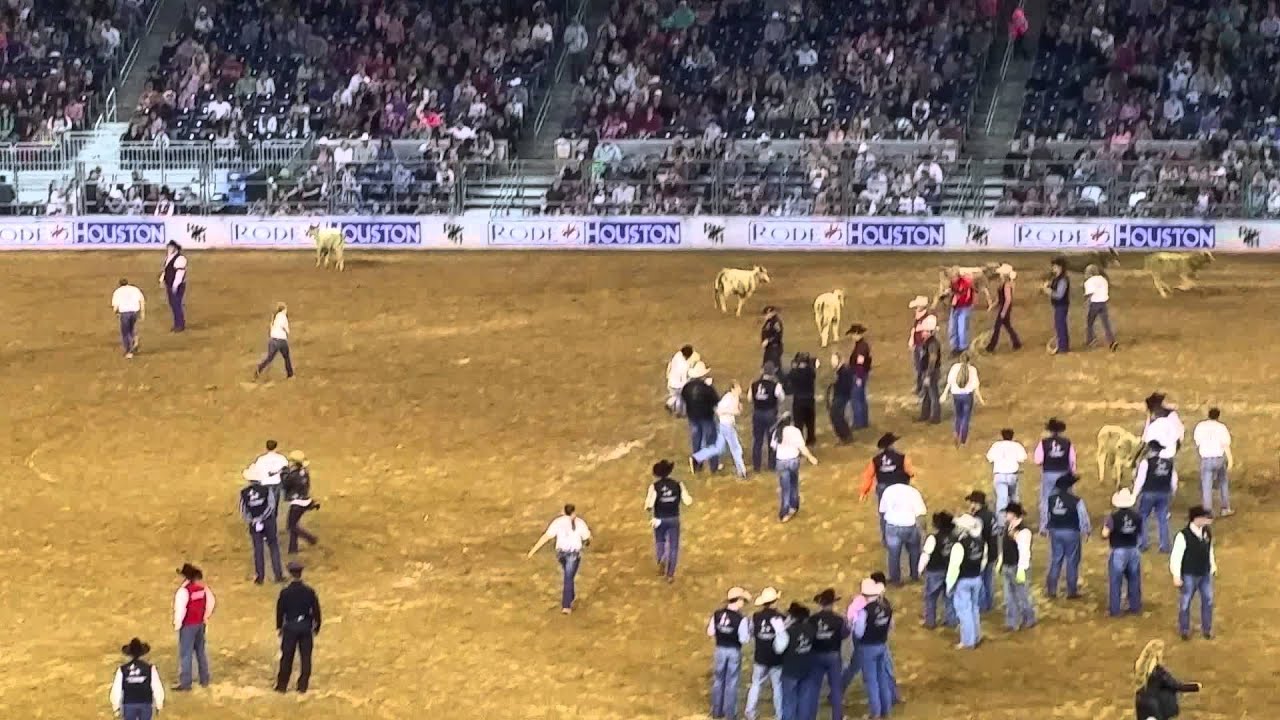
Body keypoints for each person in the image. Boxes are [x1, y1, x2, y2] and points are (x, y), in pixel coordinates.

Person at [526, 504, 592, 614]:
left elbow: (546, 537)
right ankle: (566, 605)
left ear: (563, 511)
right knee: (568, 578)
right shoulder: (580, 522)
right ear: (573, 512)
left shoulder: (557, 522)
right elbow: (587, 538)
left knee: (568, 577)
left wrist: (533, 551)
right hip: (573, 555)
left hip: (561, 554)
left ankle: (570, 596)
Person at [859, 433, 917, 545]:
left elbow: (868, 476)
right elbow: (910, 472)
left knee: (885, 513)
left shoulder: (876, 460)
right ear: (892, 444)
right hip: (900, 487)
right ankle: (903, 535)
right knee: (902, 510)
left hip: (884, 488)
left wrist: (864, 492)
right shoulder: (902, 457)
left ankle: (886, 539)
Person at [275, 560, 322, 693]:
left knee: (287, 657)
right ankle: (302, 686)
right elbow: (316, 610)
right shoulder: (309, 591)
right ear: (301, 574)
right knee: (306, 657)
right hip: (306, 627)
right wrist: (317, 626)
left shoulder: (285, 592)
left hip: (290, 627)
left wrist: (279, 627)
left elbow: (280, 611)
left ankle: (282, 685)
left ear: (290, 574)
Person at [851, 579, 895, 718]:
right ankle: (886, 710)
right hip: (881, 645)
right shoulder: (887, 607)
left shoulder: (864, 611)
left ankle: (875, 713)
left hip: (868, 647)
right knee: (882, 677)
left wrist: (853, 624)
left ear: (864, 595)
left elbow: (859, 632)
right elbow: (891, 626)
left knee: (871, 681)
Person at [1171, 506, 1216, 640]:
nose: (1207, 520)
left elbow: (1210, 550)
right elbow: (1176, 556)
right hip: (1189, 574)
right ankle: (1184, 630)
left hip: (1204, 572)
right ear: (1196, 519)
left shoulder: (1206, 532)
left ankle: (1207, 629)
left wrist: (1212, 566)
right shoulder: (1182, 536)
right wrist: (1176, 575)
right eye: (1205, 517)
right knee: (1185, 602)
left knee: (1208, 600)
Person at [708, 587, 753, 720]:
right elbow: (744, 639)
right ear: (738, 600)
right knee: (732, 682)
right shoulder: (741, 619)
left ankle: (717, 711)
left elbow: (710, 632)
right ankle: (730, 714)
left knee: (718, 680)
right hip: (733, 651)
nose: (743, 603)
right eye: (743, 600)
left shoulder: (717, 614)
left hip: (720, 649)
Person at [1044, 473, 1091, 599]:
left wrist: (1046, 528)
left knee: (1056, 559)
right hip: (1071, 532)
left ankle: (1052, 589)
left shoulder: (1051, 499)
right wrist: (1086, 531)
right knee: (1072, 561)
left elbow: (1047, 515)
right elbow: (1083, 518)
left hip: (1056, 531)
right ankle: (1071, 591)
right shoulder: (1076, 501)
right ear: (1070, 487)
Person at [745, 587, 789, 720]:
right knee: (777, 687)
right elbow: (785, 637)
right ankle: (779, 715)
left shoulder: (756, 616)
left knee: (756, 684)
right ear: (775, 601)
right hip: (776, 659)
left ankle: (750, 713)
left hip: (760, 657)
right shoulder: (782, 618)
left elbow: (751, 633)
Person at [646, 460, 692, 582]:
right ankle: (670, 574)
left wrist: (649, 508)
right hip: (674, 518)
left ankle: (661, 558)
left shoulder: (654, 487)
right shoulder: (678, 484)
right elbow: (688, 501)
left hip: (659, 519)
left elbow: (649, 505)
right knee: (673, 547)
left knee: (660, 541)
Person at [946, 514, 987, 649]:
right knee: (974, 609)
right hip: (976, 579)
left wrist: (949, 585)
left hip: (963, 581)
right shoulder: (982, 542)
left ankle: (968, 641)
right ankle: (976, 636)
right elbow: (983, 562)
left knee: (964, 611)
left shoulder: (959, 545)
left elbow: (954, 568)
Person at [172, 563, 215, 690]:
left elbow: (180, 609)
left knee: (186, 653)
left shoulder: (183, 591)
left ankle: (186, 683)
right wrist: (205, 617)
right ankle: (204, 679)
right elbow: (211, 603)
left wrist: (178, 624)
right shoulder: (202, 589)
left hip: (188, 625)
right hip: (200, 624)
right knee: (200, 651)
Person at [1134, 639, 1202, 720]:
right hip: (1154, 707)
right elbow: (1176, 685)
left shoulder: (1140, 667)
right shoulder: (1159, 672)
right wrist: (1195, 687)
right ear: (1157, 654)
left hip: (1140, 704)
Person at [692, 380, 747, 477]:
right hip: (727, 426)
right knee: (736, 448)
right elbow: (718, 410)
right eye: (738, 388)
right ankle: (742, 472)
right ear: (732, 388)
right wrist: (733, 411)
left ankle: (697, 458)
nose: (740, 389)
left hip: (725, 425)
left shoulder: (734, 397)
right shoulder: (728, 398)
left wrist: (737, 410)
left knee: (718, 448)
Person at [239, 467, 284, 584]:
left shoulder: (244, 493)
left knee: (258, 550)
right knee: (273, 547)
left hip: (254, 523)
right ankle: (278, 575)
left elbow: (243, 510)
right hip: (268, 521)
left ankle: (260, 577)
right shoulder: (266, 490)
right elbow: (271, 506)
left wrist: (253, 520)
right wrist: (262, 518)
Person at [808, 588, 848, 720]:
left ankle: (811, 716)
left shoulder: (812, 620)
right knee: (836, 689)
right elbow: (844, 634)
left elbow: (808, 637)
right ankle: (837, 717)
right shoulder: (839, 620)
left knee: (814, 689)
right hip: (833, 655)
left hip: (816, 655)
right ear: (833, 603)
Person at [1102, 488, 1143, 616]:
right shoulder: (1137, 516)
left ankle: (1115, 609)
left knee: (1115, 581)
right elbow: (1141, 534)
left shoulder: (1112, 517)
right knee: (1134, 579)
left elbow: (1105, 534)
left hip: (1118, 551)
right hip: (1133, 550)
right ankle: (1135, 606)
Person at [773, 413, 818, 522]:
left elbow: (774, 447)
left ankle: (784, 513)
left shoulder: (777, 431)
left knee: (785, 488)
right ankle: (794, 506)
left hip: (781, 461)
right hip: (793, 461)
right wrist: (811, 457)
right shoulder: (795, 431)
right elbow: (802, 447)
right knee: (793, 484)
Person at [998, 503, 1037, 631]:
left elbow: (1024, 551)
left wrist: (1021, 569)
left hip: (1018, 567)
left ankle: (1029, 619)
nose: (1005, 515)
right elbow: (1005, 547)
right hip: (1008, 566)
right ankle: (1012, 622)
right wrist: (1001, 562)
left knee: (1023, 595)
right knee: (1009, 597)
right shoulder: (1008, 526)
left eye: (1007, 513)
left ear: (1013, 515)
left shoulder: (1024, 531)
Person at [880, 479, 926, 585]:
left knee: (893, 554)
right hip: (910, 526)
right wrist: (924, 530)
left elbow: (882, 511)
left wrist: (883, 530)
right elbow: (921, 513)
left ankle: (895, 579)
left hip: (892, 526)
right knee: (914, 551)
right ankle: (915, 574)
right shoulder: (913, 492)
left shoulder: (888, 490)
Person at [1134, 441, 1178, 553]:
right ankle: (1165, 545)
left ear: (1149, 451)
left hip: (1149, 492)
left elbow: (1140, 480)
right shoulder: (1169, 463)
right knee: (1163, 518)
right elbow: (1174, 480)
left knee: (1142, 517)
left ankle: (1143, 544)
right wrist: (1172, 491)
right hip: (1164, 493)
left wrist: (1134, 495)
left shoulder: (1146, 463)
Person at [918, 512, 958, 629]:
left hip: (935, 571)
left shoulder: (933, 538)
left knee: (930, 597)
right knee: (949, 597)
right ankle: (951, 620)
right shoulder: (955, 538)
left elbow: (926, 555)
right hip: (950, 571)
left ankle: (930, 621)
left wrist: (920, 569)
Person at [110, 638, 165, 720]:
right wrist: (159, 704)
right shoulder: (150, 668)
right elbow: (157, 687)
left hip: (129, 704)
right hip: (145, 703)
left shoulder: (122, 669)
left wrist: (116, 707)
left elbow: (116, 689)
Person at [1192, 408, 1234, 517]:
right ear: (1218, 416)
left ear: (1208, 415)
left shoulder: (1200, 426)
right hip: (1219, 458)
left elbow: (1197, 443)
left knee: (1206, 485)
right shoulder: (1221, 427)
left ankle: (1207, 512)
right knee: (1223, 482)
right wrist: (1230, 459)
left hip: (1206, 459)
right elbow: (1225, 445)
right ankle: (1225, 508)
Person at [1035, 418, 1075, 527]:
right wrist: (1072, 473)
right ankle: (1067, 521)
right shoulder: (1067, 443)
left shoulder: (1043, 443)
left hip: (1049, 473)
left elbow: (1038, 460)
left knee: (1046, 499)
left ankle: (1045, 525)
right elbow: (1072, 461)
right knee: (1067, 497)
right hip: (1064, 472)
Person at [683, 362, 722, 474]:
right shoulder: (707, 388)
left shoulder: (687, 387)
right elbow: (716, 401)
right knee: (711, 442)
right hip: (706, 417)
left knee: (696, 440)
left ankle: (697, 464)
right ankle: (713, 466)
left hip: (692, 417)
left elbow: (684, 399)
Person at [780, 602, 817, 720]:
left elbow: (778, 648)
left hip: (790, 670)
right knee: (804, 701)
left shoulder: (788, 631)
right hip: (806, 669)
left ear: (793, 617)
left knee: (788, 702)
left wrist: (782, 629)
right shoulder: (812, 629)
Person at [965, 491, 1000, 613]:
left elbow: (976, 536)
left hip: (983, 554)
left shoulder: (978, 518)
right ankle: (989, 603)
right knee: (988, 579)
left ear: (976, 503)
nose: (969, 505)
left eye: (971, 502)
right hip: (993, 550)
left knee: (980, 580)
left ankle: (982, 605)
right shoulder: (991, 514)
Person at [985, 429, 1027, 528]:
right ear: (1012, 436)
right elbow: (1022, 458)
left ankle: (1001, 524)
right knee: (1014, 499)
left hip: (999, 475)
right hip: (1012, 475)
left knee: (1002, 500)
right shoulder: (1016, 445)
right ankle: (1015, 522)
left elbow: (989, 458)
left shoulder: (996, 445)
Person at [940, 353, 984, 446]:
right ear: (969, 361)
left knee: (958, 416)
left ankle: (956, 432)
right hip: (967, 396)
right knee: (966, 418)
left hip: (956, 395)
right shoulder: (972, 369)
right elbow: (976, 387)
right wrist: (980, 399)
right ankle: (963, 440)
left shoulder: (955, 367)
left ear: (960, 360)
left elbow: (949, 383)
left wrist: (944, 394)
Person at [750, 363, 786, 473]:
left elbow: (749, 399)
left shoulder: (754, 384)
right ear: (773, 372)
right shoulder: (776, 385)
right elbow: (782, 398)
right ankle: (771, 465)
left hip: (757, 413)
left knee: (757, 440)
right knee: (772, 440)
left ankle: (756, 466)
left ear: (762, 371)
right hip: (770, 414)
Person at [281, 450, 319, 554]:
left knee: (291, 526)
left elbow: (285, 484)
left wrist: (284, 473)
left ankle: (311, 538)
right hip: (305, 501)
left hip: (297, 504)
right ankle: (293, 548)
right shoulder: (304, 473)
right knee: (294, 524)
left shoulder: (293, 475)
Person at [984, 264, 1022, 352]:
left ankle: (991, 347)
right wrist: (993, 306)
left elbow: (1008, 299)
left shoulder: (1007, 285)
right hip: (1005, 308)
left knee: (997, 327)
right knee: (1007, 326)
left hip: (1005, 308)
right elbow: (1000, 299)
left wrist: (1003, 312)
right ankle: (1017, 343)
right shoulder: (1004, 284)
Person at [254, 302, 294, 379]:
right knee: (286, 357)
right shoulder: (283, 316)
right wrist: (287, 332)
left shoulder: (274, 317)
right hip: (281, 341)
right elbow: (286, 329)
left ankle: (259, 368)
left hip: (272, 340)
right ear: (283, 310)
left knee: (269, 358)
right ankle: (290, 375)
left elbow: (271, 329)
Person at [907, 296, 937, 395]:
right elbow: (914, 331)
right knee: (918, 367)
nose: (915, 309)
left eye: (917, 307)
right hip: (918, 345)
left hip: (923, 346)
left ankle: (923, 388)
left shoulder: (928, 319)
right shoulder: (920, 317)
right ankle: (919, 386)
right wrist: (912, 342)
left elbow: (928, 333)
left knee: (923, 367)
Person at [1083, 264, 1118, 351]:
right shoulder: (1103, 279)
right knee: (1106, 324)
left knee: (1090, 323)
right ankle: (1112, 341)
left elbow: (1089, 294)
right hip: (1103, 304)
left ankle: (1090, 340)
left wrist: (1085, 301)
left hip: (1094, 304)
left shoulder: (1089, 281)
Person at [787, 353, 818, 444]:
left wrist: (794, 367)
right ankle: (811, 439)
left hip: (798, 401)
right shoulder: (811, 372)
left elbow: (788, 378)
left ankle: (799, 441)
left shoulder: (794, 373)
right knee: (810, 422)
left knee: (798, 423)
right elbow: (813, 367)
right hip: (809, 400)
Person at [111, 278, 145, 359]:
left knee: (125, 332)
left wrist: (115, 313)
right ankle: (135, 341)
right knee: (133, 328)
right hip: (134, 312)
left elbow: (115, 307)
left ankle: (129, 351)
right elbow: (142, 300)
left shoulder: (117, 292)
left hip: (124, 313)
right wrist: (142, 313)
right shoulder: (135, 289)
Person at [846, 324, 872, 429]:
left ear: (857, 334)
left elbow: (860, 364)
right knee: (861, 398)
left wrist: (858, 378)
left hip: (859, 375)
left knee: (856, 399)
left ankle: (858, 423)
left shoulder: (861, 347)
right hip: (861, 374)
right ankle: (863, 421)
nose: (852, 336)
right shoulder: (862, 345)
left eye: (853, 334)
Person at [160, 239, 188, 332]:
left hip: (177, 285)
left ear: (175, 248)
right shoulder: (169, 257)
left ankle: (180, 325)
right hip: (170, 284)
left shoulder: (180, 259)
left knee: (176, 305)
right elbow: (166, 270)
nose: (168, 249)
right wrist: (162, 280)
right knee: (173, 305)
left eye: (170, 247)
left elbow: (180, 274)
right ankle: (177, 324)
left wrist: (175, 286)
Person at [946, 269, 976, 354]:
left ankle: (963, 347)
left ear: (957, 276)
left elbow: (964, 295)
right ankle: (954, 347)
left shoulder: (965, 283)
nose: (952, 279)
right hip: (956, 307)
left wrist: (954, 296)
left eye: (953, 277)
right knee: (952, 328)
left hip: (964, 307)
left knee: (962, 328)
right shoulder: (953, 283)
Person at [917, 327, 943, 424]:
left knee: (933, 395)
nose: (922, 333)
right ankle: (925, 415)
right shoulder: (929, 342)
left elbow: (933, 359)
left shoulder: (932, 344)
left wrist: (928, 375)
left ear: (929, 332)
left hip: (932, 372)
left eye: (924, 331)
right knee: (927, 394)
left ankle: (935, 418)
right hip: (928, 371)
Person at [829, 354, 856, 444]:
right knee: (835, 415)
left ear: (839, 360)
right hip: (840, 396)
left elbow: (845, 385)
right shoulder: (840, 370)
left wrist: (835, 384)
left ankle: (846, 436)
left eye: (834, 360)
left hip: (842, 397)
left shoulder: (844, 371)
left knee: (836, 415)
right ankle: (844, 436)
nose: (832, 362)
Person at [1045, 257, 1070, 353]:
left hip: (1061, 305)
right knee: (1060, 325)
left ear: (1060, 267)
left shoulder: (1063, 280)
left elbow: (1059, 295)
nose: (1053, 268)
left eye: (1054, 266)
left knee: (1060, 326)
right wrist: (1048, 286)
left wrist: (1048, 291)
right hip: (1059, 305)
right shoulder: (1057, 278)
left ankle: (1063, 348)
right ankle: (1063, 345)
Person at [666, 345, 698, 416]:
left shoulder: (677, 355)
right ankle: (679, 412)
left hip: (671, 381)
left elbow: (670, 365)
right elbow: (684, 379)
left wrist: (668, 375)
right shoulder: (684, 366)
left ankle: (669, 403)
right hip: (678, 385)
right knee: (681, 398)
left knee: (674, 395)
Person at [760, 306, 784, 370]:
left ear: (772, 313)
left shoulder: (776, 322)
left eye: (766, 314)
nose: (765, 316)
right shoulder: (769, 321)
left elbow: (778, 335)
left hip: (774, 348)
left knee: (774, 367)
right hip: (769, 348)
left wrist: (768, 340)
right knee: (766, 366)